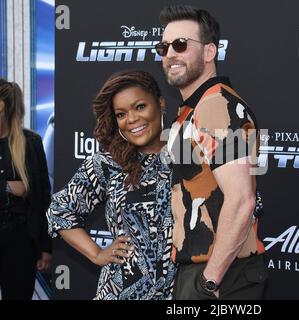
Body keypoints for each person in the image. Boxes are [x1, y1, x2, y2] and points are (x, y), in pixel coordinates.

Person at [156, 5, 267, 300]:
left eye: (181, 45)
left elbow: (242, 199)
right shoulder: (196, 108)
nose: (170, 54)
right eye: (164, 47)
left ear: (209, 52)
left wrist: (209, 281)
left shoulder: (216, 107)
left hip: (222, 275)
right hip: (206, 270)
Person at [46, 70, 176, 300]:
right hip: (120, 292)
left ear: (161, 104)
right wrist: (97, 253)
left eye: (140, 107)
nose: (132, 120)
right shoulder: (108, 163)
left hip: (180, 292)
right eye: (121, 114)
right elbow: (60, 209)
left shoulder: (188, 156)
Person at [0, 79, 52, 300]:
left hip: (21, 244)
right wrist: (7, 187)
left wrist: (45, 246)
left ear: (6, 109)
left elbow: (41, 199)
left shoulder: (31, 142)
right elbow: (17, 188)